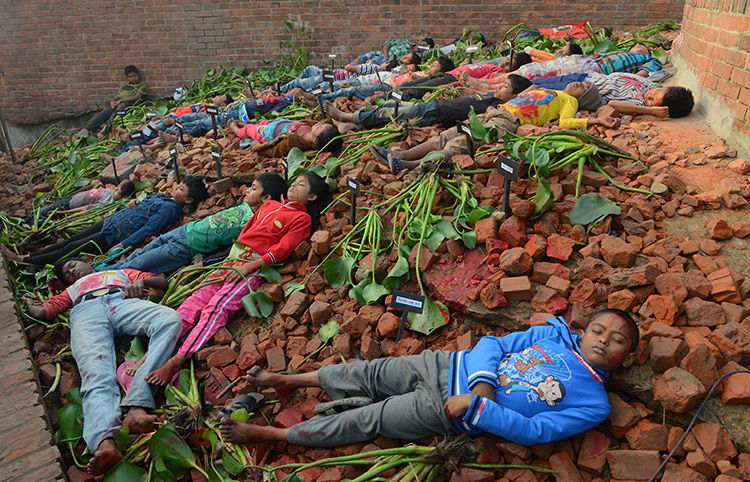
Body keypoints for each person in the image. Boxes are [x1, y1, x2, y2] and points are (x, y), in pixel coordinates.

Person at [219, 310, 638, 448]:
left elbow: (535, 431)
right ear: (584, 331)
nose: (604, 340)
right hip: (443, 366)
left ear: (625, 358)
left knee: (372, 420)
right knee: (369, 372)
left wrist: (476, 407)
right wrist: (484, 385)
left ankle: (269, 435)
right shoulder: (553, 335)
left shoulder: (594, 403)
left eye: (616, 340)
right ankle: (294, 379)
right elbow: (492, 344)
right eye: (599, 330)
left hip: (449, 411)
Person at [143, 171, 332, 386]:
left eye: (301, 185)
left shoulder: (302, 218)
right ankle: (151, 354)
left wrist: (248, 267)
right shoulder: (269, 206)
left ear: (312, 198)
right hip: (232, 260)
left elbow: (282, 250)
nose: (294, 186)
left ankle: (178, 359)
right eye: (295, 182)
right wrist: (229, 260)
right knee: (192, 303)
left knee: (217, 308)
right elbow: (245, 234)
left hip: (251, 267)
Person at [25, 258, 182, 474]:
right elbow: (44, 312)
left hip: (123, 300)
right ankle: (104, 442)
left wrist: (143, 284)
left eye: (73, 264)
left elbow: (161, 282)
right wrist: (28, 303)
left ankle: (137, 405)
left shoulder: (120, 272)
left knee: (170, 319)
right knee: (95, 371)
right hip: (86, 313)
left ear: (89, 262)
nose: (72, 271)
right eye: (67, 273)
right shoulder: (71, 290)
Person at [371, 82, 617, 172]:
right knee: (448, 135)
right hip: (499, 111)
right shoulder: (552, 89)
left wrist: (593, 120)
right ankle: (400, 155)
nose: (579, 84)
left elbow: (565, 122)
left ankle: (409, 165)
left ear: (582, 98)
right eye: (583, 83)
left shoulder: (569, 100)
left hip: (509, 121)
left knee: (462, 142)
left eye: (584, 88)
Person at [104, 173, 286, 274]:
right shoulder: (245, 205)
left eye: (254, 189)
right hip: (183, 231)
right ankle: (99, 269)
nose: (247, 190)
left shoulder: (257, 222)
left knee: (135, 266)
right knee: (135, 256)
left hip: (185, 249)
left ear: (266, 198)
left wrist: (203, 263)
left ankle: (97, 280)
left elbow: (231, 251)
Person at [3, 177, 209, 266]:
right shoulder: (165, 198)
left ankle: (25, 261)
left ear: (189, 200)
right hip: (111, 222)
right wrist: (135, 203)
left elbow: (148, 229)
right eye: (179, 185)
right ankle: (29, 255)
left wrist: (122, 245)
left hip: (114, 235)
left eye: (182, 190)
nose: (176, 189)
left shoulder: (170, 209)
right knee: (70, 241)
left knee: (73, 248)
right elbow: (145, 204)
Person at [324, 74, 532, 131]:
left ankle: (346, 117)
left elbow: (535, 90)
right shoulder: (491, 97)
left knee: (391, 115)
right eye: (502, 83)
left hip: (436, 114)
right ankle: (353, 124)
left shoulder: (497, 107)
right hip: (434, 106)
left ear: (513, 95)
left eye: (505, 86)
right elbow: (477, 90)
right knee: (390, 107)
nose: (499, 87)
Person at [532, 72, 695, 118]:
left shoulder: (638, 104)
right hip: (585, 76)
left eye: (652, 102)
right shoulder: (652, 85)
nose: (649, 96)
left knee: (534, 89)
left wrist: (651, 111)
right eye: (656, 92)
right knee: (535, 79)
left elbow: (612, 105)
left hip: (578, 89)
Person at [75, 65, 147, 137]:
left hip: (129, 102)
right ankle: (86, 129)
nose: (133, 78)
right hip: (118, 101)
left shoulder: (142, 86)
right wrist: (113, 101)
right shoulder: (124, 85)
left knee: (117, 111)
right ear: (127, 78)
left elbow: (136, 97)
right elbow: (118, 95)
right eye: (130, 77)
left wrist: (121, 101)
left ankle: (106, 127)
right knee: (105, 112)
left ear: (138, 75)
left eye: (134, 76)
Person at [23, 180, 135, 224]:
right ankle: (28, 219)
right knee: (48, 208)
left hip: (69, 205)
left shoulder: (106, 202)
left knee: (44, 212)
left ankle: (26, 221)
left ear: (120, 188)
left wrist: (61, 213)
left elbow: (84, 209)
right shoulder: (111, 191)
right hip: (73, 197)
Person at [227, 118, 342, 156]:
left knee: (250, 130)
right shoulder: (311, 129)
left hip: (265, 133)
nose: (318, 124)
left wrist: (259, 147)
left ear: (316, 140)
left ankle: (236, 130)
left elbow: (275, 150)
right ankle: (249, 125)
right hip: (275, 124)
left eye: (319, 127)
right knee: (261, 123)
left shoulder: (293, 143)